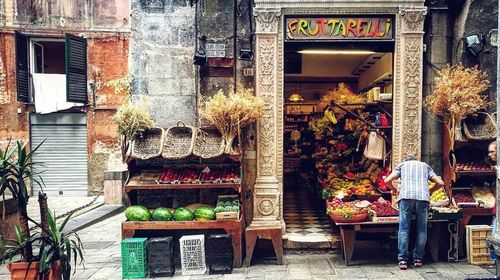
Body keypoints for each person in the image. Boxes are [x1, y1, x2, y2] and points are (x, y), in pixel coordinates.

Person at [383, 155, 445, 270]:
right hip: (423, 198)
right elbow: (440, 183)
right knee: (422, 229)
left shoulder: (402, 165)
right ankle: (418, 259)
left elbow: (387, 180)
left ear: (406, 160)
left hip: (406, 197)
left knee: (403, 229)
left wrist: (395, 190)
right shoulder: (425, 166)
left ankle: (402, 260)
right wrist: (430, 190)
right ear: (416, 160)